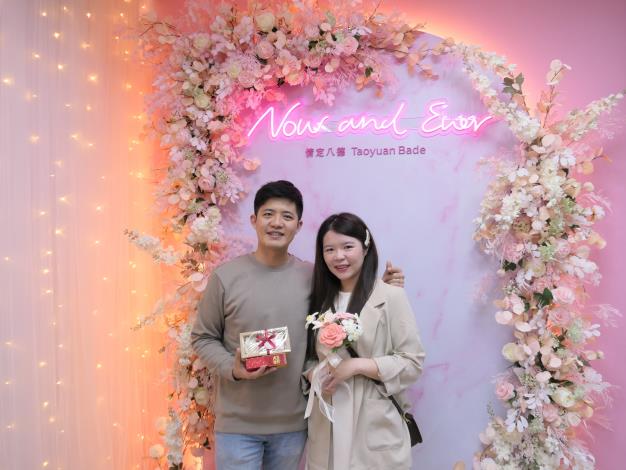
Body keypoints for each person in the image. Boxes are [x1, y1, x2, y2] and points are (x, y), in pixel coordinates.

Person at [191, 181, 404, 470]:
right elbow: (203, 338)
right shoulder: (225, 277)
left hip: (293, 425)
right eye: (268, 214)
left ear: (299, 226)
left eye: (287, 216)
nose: (276, 223)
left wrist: (383, 289)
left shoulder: (314, 278)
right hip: (237, 426)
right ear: (254, 220)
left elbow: (347, 304)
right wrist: (233, 368)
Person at [304, 212, 425, 470]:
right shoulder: (320, 301)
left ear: (366, 247)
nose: (339, 256)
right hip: (329, 419)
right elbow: (310, 358)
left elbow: (412, 362)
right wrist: (314, 374)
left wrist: (357, 366)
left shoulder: (391, 296)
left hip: (373, 423)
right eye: (329, 249)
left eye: (348, 246)